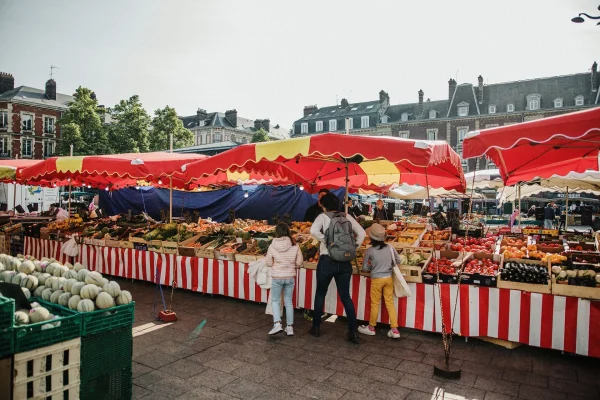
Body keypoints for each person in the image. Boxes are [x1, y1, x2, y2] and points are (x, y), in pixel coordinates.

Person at [309, 192, 366, 343]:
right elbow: (362, 233)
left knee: (320, 293)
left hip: (327, 260)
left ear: (324, 205)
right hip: (344, 261)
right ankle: (353, 331)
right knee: (346, 296)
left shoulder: (322, 217)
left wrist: (326, 240)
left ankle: (315, 327)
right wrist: (353, 247)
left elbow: (313, 231)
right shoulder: (347, 216)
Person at [358, 223, 401, 339]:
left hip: (376, 279)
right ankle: (395, 330)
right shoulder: (390, 247)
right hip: (388, 278)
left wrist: (372, 265)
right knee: (390, 303)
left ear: (371, 237)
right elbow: (399, 260)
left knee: (375, 304)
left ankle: (371, 327)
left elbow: (365, 268)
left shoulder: (369, 251)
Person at [264, 222, 304, 336]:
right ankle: (290, 327)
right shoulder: (295, 245)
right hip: (290, 276)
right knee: (289, 301)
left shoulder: (272, 245)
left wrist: (275, 264)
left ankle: (277, 324)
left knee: (275, 300)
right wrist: (291, 266)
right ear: (288, 231)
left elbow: (268, 262)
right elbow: (299, 262)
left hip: (277, 276)